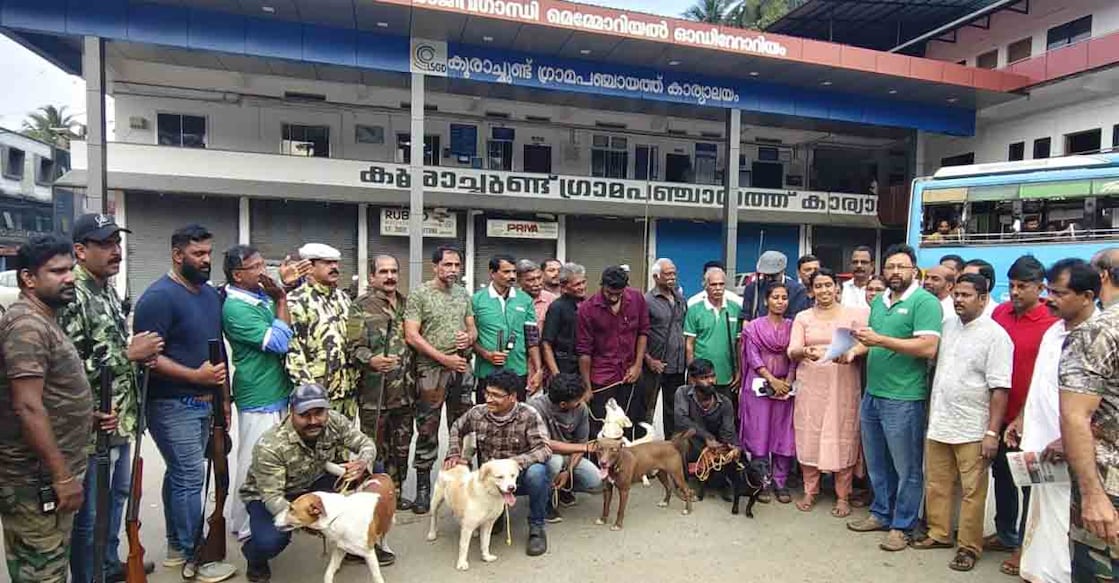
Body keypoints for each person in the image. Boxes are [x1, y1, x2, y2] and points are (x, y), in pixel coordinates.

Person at [59, 215, 162, 582]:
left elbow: (110, 351)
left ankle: (107, 564)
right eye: (104, 244)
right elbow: (64, 369)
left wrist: (138, 359)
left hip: (120, 420)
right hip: (90, 427)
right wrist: (127, 354)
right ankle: (88, 576)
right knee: (89, 516)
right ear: (80, 250)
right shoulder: (72, 294)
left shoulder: (105, 290)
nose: (115, 251)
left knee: (117, 499)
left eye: (116, 243)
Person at [132, 225, 236, 580]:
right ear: (178, 255)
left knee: (181, 474)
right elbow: (148, 357)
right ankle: (197, 557)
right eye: (198, 254)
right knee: (190, 476)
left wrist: (224, 398)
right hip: (172, 404)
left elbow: (218, 350)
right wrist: (195, 377)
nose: (206, 260)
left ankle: (178, 548)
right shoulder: (158, 298)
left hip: (206, 402)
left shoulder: (209, 295)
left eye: (209, 253)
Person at [0, 235, 94, 583]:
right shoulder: (26, 326)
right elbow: (27, 405)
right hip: (34, 480)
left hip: (49, 475)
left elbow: (50, 392)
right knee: (41, 572)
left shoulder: (44, 319)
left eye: (71, 269)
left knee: (52, 564)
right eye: (57, 271)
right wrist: (62, 476)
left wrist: (87, 415)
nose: (69, 278)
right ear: (28, 278)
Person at [845, 243, 942, 552]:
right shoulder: (880, 301)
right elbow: (871, 341)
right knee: (877, 463)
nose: (895, 272)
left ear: (914, 270)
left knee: (907, 468)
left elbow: (928, 347)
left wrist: (881, 340)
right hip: (873, 393)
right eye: (890, 267)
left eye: (902, 266)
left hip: (904, 397)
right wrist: (853, 351)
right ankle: (881, 513)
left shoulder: (925, 302)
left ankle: (903, 525)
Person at [913, 273, 1012, 572]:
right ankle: (939, 533)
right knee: (937, 482)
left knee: (972, 491)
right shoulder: (947, 326)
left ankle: (969, 547)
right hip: (941, 421)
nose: (959, 300)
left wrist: (992, 432)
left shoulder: (996, 336)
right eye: (956, 294)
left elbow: (1000, 388)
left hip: (973, 426)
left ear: (983, 298)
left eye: (966, 295)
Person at [239, 383, 384, 582]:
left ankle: (357, 541)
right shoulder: (271, 445)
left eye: (319, 413)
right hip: (272, 495)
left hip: (314, 481)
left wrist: (362, 463)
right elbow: (271, 496)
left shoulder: (333, 421)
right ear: (291, 412)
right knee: (270, 541)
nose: (313, 421)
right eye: (305, 415)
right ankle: (254, 557)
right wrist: (303, 517)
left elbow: (365, 443)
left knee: (373, 472)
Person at [1016, 258, 1099, 583]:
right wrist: (1022, 418)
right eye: (1049, 291)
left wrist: (1069, 439)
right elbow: (1041, 384)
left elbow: (1105, 402)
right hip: (1042, 445)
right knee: (1044, 516)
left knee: (1072, 520)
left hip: (1077, 450)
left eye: (1059, 293)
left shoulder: (1101, 336)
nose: (1050, 299)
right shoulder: (1054, 330)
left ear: (1087, 296)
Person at [219, 245, 293, 543]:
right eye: (256, 266)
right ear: (238, 275)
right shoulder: (235, 308)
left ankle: (266, 516)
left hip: (276, 389)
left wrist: (280, 295)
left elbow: (286, 326)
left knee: (274, 460)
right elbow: (279, 341)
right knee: (254, 462)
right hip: (258, 394)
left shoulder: (258, 297)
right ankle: (246, 523)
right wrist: (281, 299)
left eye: (264, 264)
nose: (264, 271)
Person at [989, 255, 1058, 570]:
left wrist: (1024, 416)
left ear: (1040, 288)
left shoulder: (1051, 322)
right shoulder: (1000, 313)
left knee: (1031, 483)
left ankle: (1026, 547)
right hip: (1000, 414)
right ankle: (1006, 533)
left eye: (1023, 286)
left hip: (1033, 419)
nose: (1015, 292)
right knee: (1002, 476)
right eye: (1013, 285)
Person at [444, 370, 553, 556]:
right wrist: (453, 453)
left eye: (496, 395)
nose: (489, 399)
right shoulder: (477, 413)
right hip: (492, 478)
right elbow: (457, 427)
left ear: (512, 397)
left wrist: (514, 462)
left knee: (538, 473)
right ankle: (494, 515)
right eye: (487, 393)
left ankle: (536, 527)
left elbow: (544, 449)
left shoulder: (528, 414)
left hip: (518, 475)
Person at [1059, 247, 1119, 581]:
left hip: (1108, 486)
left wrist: (1093, 496)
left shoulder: (1097, 331)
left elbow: (1075, 416)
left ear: (1102, 277)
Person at [788, 269, 868, 517]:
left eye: (828, 285)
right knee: (809, 433)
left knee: (842, 432)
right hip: (811, 382)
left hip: (843, 380)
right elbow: (792, 350)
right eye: (818, 286)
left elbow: (867, 342)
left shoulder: (855, 314)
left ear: (837, 288)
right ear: (811, 291)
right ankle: (810, 490)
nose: (824, 290)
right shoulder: (802, 317)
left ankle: (843, 495)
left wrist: (852, 352)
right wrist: (805, 352)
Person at [403, 245, 476, 515]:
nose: (453, 270)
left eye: (457, 265)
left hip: (460, 368)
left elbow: (472, 328)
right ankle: (424, 489)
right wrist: (443, 359)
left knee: (463, 428)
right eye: (447, 265)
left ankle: (460, 484)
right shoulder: (420, 294)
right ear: (435, 267)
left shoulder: (463, 294)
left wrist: (469, 337)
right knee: (427, 429)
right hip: (431, 371)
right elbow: (412, 335)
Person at [345, 254, 415, 511]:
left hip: (406, 391)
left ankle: (395, 493)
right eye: (383, 272)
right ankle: (373, 498)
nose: (390, 276)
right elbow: (352, 347)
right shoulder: (360, 306)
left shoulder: (408, 304)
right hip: (375, 393)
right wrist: (371, 360)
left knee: (401, 447)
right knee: (374, 449)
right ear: (372, 276)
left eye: (394, 271)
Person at [739, 282, 795, 504]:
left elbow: (794, 356)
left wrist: (787, 382)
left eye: (784, 298)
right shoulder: (753, 327)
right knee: (759, 432)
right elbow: (752, 357)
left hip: (786, 387)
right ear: (766, 300)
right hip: (759, 385)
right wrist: (771, 380)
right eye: (775, 297)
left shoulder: (793, 327)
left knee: (783, 433)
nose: (780, 302)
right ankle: (762, 482)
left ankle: (780, 482)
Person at [577, 265, 649, 436]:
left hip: (630, 374)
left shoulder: (637, 299)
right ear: (602, 285)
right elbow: (584, 351)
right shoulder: (587, 309)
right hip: (602, 377)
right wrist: (587, 387)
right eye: (610, 293)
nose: (614, 297)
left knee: (630, 424)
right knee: (602, 428)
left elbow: (643, 332)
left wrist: (638, 365)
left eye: (619, 293)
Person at [285, 243, 355, 418]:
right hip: (317, 394)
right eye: (327, 263)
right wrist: (309, 394)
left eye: (336, 263)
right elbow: (293, 352)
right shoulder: (296, 301)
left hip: (347, 392)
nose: (334, 267)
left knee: (345, 435)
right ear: (309, 267)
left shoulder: (343, 298)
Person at [528, 373, 602, 518]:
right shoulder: (535, 408)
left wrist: (568, 471)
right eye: (577, 400)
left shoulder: (581, 408)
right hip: (541, 457)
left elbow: (581, 441)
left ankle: (562, 488)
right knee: (555, 462)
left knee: (594, 479)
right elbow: (544, 443)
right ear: (563, 404)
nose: (581, 402)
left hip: (568, 456)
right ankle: (544, 500)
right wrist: (583, 448)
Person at [473, 255, 542, 399]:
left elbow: (532, 338)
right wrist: (486, 354)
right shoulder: (476, 300)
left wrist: (538, 370)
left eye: (514, 272)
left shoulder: (525, 300)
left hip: (517, 370)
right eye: (506, 272)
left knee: (517, 411)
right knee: (486, 410)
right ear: (492, 273)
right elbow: (470, 337)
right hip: (487, 371)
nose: (512, 276)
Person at [674, 358, 740, 492]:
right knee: (682, 439)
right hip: (694, 439)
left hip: (714, 444)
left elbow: (728, 430)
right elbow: (681, 420)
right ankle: (682, 482)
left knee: (733, 450)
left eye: (712, 376)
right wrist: (706, 437)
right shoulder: (683, 393)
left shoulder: (725, 402)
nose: (711, 381)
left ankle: (720, 478)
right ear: (693, 380)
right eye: (704, 378)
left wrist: (728, 447)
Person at [684, 267, 742, 412]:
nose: (718, 288)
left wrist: (739, 371)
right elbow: (690, 345)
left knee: (727, 415)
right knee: (700, 415)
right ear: (706, 286)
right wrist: (692, 373)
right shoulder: (694, 310)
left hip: (727, 376)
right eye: (713, 284)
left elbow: (738, 344)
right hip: (701, 376)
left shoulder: (735, 308)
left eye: (721, 284)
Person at [642, 258, 687, 437]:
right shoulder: (647, 301)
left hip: (677, 365)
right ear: (656, 277)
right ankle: (642, 444)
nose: (672, 277)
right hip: (655, 365)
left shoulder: (680, 299)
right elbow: (640, 334)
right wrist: (649, 360)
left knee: (674, 410)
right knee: (647, 407)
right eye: (668, 274)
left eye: (674, 273)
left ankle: (671, 446)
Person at [542, 263, 586, 378]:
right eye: (577, 284)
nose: (582, 287)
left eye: (583, 282)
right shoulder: (557, 307)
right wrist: (556, 375)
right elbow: (546, 343)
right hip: (564, 366)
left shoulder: (588, 305)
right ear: (564, 287)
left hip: (584, 366)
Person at [741, 251, 810, 320]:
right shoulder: (753, 288)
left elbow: (798, 318)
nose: (769, 279)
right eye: (766, 275)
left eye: (773, 275)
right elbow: (746, 317)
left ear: (783, 271)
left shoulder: (798, 290)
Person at [517, 259, 556, 330]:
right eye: (531, 280)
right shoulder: (512, 299)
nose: (537, 283)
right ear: (519, 281)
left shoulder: (552, 300)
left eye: (539, 278)